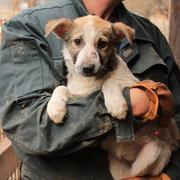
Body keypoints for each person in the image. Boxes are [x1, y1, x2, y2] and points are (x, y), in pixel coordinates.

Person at [0, 0, 180, 179]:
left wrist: (169, 176)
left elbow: (178, 114)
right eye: (77, 41)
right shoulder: (29, 25)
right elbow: (28, 128)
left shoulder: (149, 32)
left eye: (102, 44)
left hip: (146, 158)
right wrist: (132, 101)